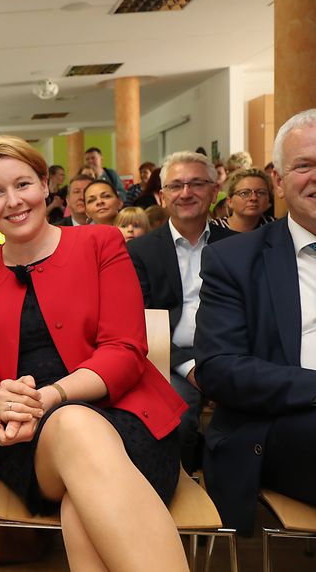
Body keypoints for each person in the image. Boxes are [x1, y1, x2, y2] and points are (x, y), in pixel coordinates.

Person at [0, 135, 188, 571]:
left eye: (23, 184)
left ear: (46, 185)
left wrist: (50, 397)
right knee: (73, 427)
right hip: (25, 439)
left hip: (129, 422)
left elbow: (124, 350)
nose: (13, 201)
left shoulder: (100, 243)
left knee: (81, 511)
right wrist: (6, 404)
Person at [195, 109, 316, 537]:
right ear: (279, 182)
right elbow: (219, 368)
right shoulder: (234, 260)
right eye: (304, 166)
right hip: (280, 425)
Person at [127, 151, 236, 473]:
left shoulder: (239, 245)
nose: (186, 193)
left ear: (215, 191)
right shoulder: (139, 251)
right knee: (178, 415)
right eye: (176, 186)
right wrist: (189, 367)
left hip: (230, 353)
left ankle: (229, 500)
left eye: (196, 184)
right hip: (170, 358)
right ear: (161, 196)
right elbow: (141, 320)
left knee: (249, 418)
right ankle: (182, 491)